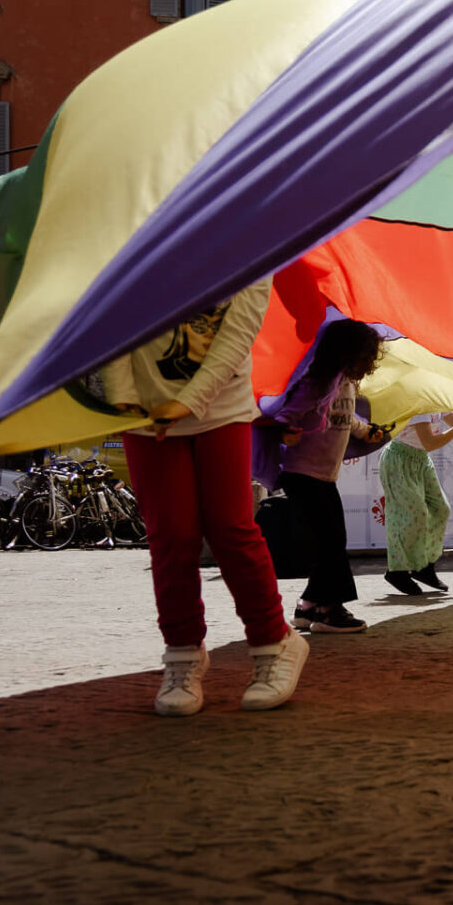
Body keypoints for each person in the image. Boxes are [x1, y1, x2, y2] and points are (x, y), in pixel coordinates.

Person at [104, 282, 308, 717]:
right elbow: (116, 303)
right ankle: (182, 655)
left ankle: (274, 642)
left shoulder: (247, 241)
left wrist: (188, 402)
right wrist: (120, 393)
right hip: (144, 411)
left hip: (219, 407)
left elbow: (237, 335)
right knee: (171, 536)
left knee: (230, 527)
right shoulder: (137, 225)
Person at [252, 319, 385, 635]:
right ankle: (330, 610)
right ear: (346, 354)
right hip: (302, 474)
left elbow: (344, 417)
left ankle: (309, 606)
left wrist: (367, 431)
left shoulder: (345, 384)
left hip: (324, 476)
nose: (368, 367)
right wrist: (286, 433)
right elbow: (285, 416)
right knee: (331, 543)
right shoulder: (316, 383)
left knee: (332, 541)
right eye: (366, 358)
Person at [380, 408, 453, 595]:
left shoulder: (437, 401)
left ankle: (423, 566)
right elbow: (429, 442)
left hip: (420, 460)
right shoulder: (419, 404)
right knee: (413, 514)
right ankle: (397, 570)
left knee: (441, 509)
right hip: (399, 460)